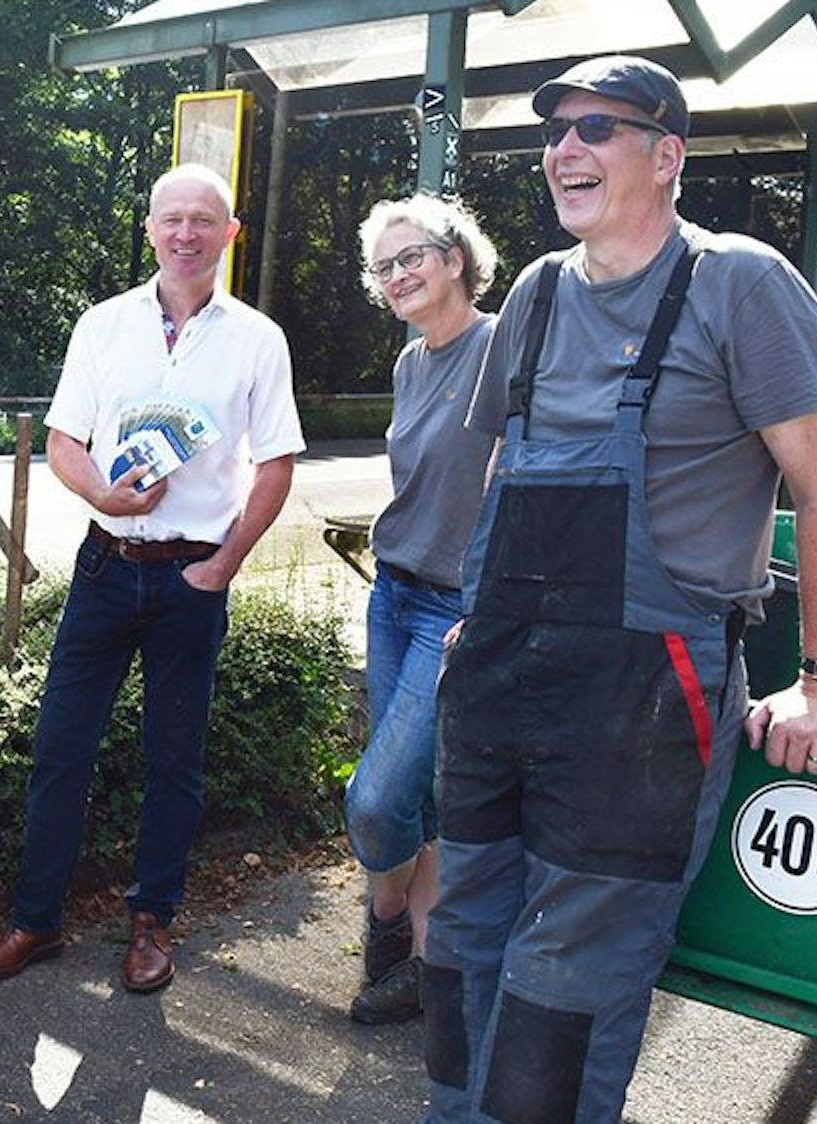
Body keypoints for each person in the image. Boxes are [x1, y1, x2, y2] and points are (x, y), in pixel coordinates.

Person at [422, 56, 817, 1123]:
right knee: (461, 933)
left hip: (643, 695)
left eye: (596, 129)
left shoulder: (738, 285)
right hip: (501, 671)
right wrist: (476, 613)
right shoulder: (530, 291)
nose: (563, 148)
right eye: (554, 131)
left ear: (666, 157)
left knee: (568, 973)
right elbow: (502, 466)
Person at [0, 163, 305, 994]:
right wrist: (101, 492)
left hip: (192, 573)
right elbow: (63, 443)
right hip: (105, 565)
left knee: (175, 759)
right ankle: (35, 922)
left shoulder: (257, 338)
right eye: (171, 219)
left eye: (204, 220)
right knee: (60, 748)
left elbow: (277, 463)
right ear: (149, 229)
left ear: (230, 235)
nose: (186, 233)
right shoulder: (103, 325)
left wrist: (222, 566)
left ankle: (153, 922)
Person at [342, 195, 500, 1025]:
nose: (398, 275)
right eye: (384, 265)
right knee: (422, 791)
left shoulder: (502, 346)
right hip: (394, 590)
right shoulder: (412, 363)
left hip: (460, 605)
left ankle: (387, 916)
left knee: (375, 799)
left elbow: (519, 480)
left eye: (413, 257)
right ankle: (429, 968)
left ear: (456, 260)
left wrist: (495, 594)